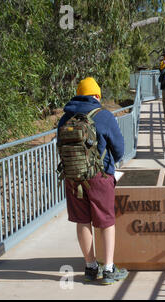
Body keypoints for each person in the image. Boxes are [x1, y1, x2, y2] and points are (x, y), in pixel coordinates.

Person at [57, 77, 128, 285]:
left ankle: (90, 267)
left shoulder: (65, 117)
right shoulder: (103, 115)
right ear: (96, 96)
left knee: (82, 220)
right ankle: (108, 269)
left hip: (73, 177)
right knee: (106, 221)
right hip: (100, 176)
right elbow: (120, 149)